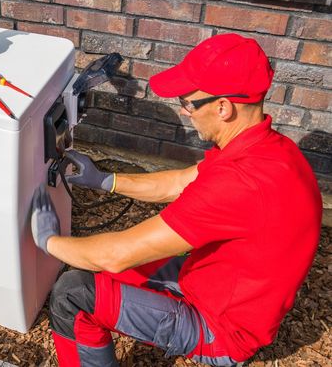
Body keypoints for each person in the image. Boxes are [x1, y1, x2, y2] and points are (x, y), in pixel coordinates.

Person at [30, 33, 322, 366]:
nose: (185, 113)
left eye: (188, 102)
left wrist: (47, 241)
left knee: (72, 294)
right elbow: (181, 181)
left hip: (222, 330)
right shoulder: (268, 150)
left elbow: (114, 255)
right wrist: (106, 180)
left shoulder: (239, 183)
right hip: (217, 283)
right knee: (93, 266)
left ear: (223, 107)